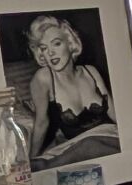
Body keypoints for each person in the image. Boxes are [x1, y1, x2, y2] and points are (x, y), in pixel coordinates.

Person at [24, 15, 116, 168]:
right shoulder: (43, 78)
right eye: (44, 48)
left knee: (93, 146)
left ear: (70, 43)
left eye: (56, 44)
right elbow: (41, 123)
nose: (50, 53)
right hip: (79, 149)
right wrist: (30, 163)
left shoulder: (91, 71)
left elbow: (114, 113)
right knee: (85, 147)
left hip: (111, 137)